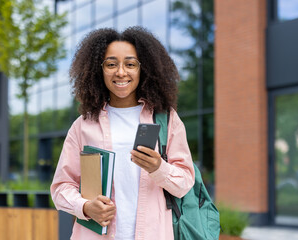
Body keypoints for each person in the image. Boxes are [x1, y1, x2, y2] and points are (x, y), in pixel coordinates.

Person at [50, 26, 195, 240]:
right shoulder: (82, 126)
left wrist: (159, 168)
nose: (120, 72)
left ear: (143, 69)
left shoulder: (166, 120)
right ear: (98, 70)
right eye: (111, 64)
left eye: (130, 64)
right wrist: (86, 207)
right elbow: (61, 187)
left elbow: (184, 183)